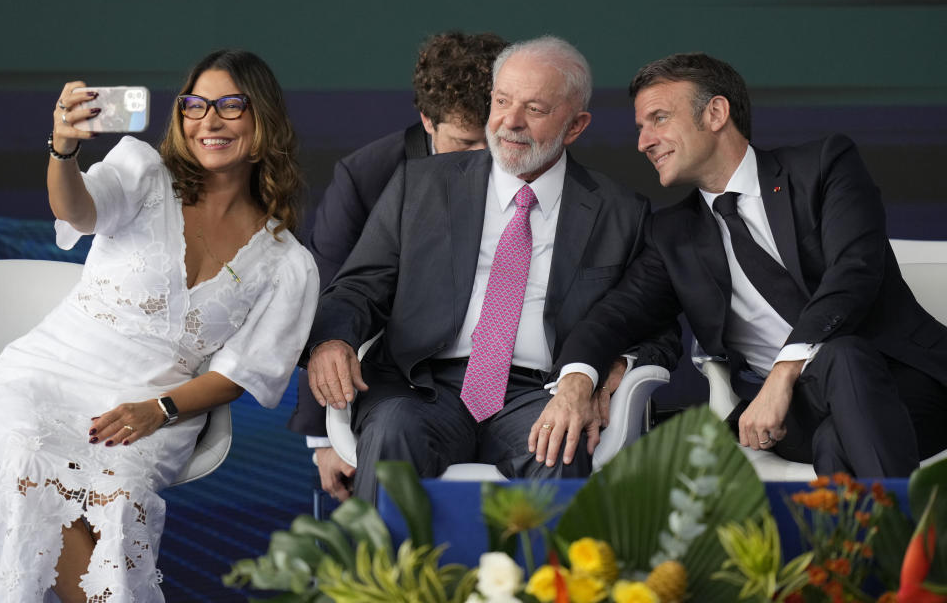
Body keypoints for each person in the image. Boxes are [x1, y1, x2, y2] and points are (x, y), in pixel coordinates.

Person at [0, 49, 318, 602]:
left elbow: (245, 373)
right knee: (31, 463)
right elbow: (78, 211)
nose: (209, 121)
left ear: (264, 121)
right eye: (195, 105)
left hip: (152, 407)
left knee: (115, 498)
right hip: (45, 376)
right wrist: (63, 149)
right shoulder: (143, 174)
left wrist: (158, 409)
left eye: (230, 106)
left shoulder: (288, 262)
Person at [305, 36, 680, 503]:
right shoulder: (420, 186)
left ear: (576, 125)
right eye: (501, 101)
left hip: (541, 392)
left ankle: (554, 579)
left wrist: (615, 369)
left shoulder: (620, 212)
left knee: (560, 447)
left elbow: (658, 330)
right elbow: (358, 286)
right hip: (424, 386)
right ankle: (382, 578)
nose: (509, 122)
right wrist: (333, 339)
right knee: (391, 431)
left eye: (535, 109)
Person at [554, 52, 947, 477]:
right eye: (641, 127)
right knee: (836, 405)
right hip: (790, 415)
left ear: (717, 113)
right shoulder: (673, 235)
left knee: (840, 397)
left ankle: (865, 543)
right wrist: (577, 376)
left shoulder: (823, 167)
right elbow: (614, 316)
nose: (643, 141)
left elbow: (854, 273)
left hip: (906, 387)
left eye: (659, 118)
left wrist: (784, 370)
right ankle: (907, 541)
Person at [287, 31, 507, 501]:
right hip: (402, 385)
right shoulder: (368, 177)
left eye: (492, 141)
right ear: (428, 120)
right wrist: (325, 437)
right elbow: (330, 301)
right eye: (466, 142)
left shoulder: (525, 161)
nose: (485, 161)